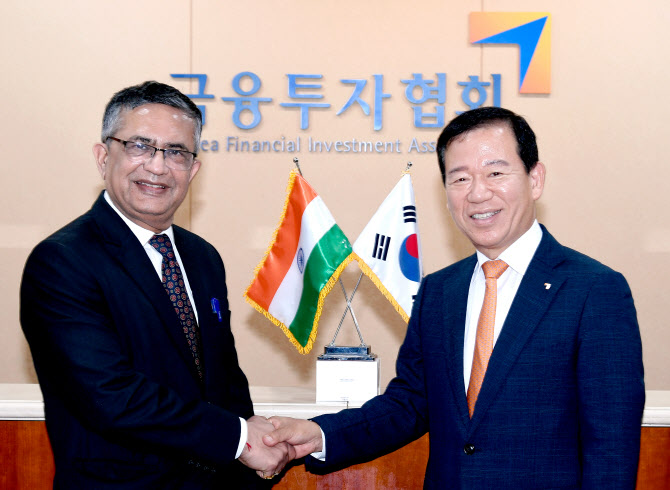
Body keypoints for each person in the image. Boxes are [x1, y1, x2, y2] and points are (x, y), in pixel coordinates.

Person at [264, 107, 645, 488]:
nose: (477, 193)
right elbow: (410, 402)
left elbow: (611, 449)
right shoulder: (439, 292)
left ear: (535, 179)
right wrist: (319, 435)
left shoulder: (594, 290)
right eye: (460, 178)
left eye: (495, 173)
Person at [20, 81, 292, 488]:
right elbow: (111, 396)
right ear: (103, 157)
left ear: (193, 170)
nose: (158, 166)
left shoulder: (202, 257)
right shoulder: (63, 261)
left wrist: (256, 450)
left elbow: (224, 379)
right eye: (140, 146)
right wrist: (239, 439)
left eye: (177, 152)